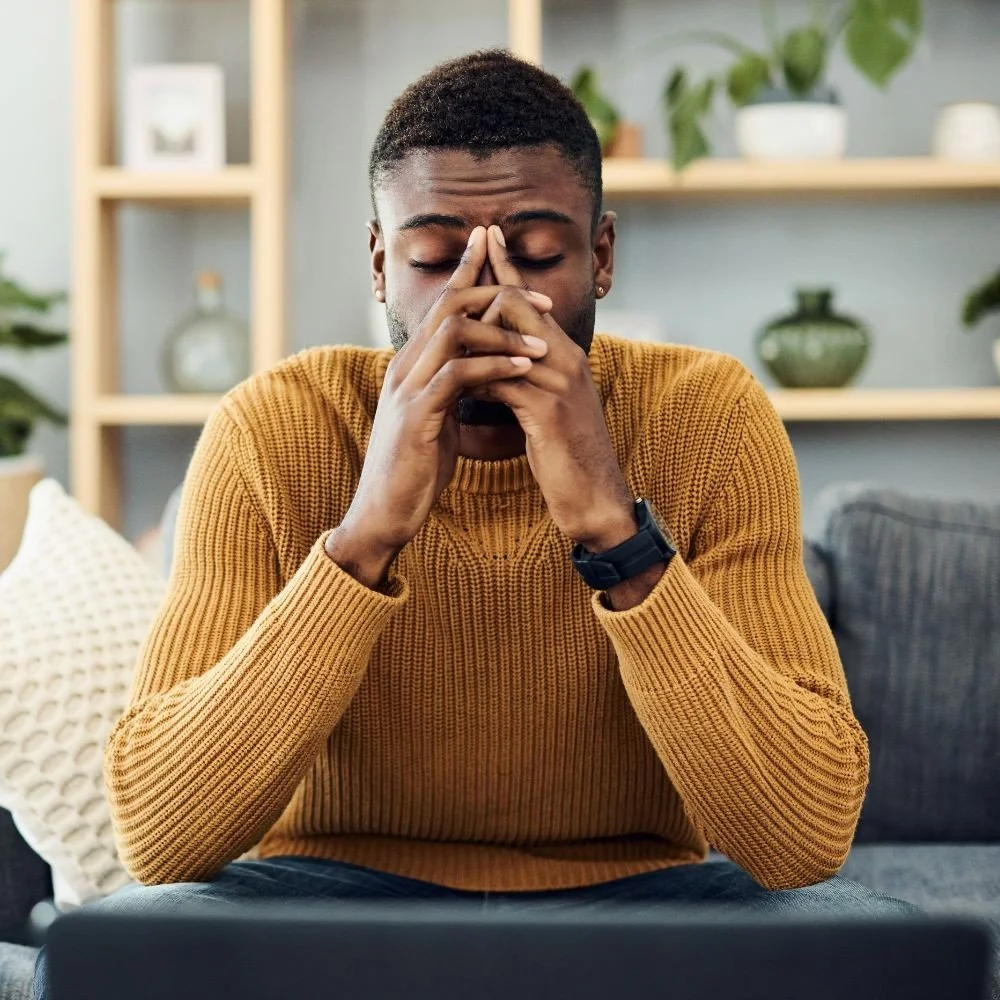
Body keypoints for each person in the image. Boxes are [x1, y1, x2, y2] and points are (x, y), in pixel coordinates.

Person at [34, 48, 913, 999]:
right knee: (112, 950)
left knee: (877, 947)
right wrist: (366, 536)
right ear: (381, 263)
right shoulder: (272, 427)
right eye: (433, 260)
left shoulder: (709, 417)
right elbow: (161, 838)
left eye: (536, 255)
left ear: (601, 257)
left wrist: (615, 532)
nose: (487, 300)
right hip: (322, 897)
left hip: (642, 897)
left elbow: (803, 841)